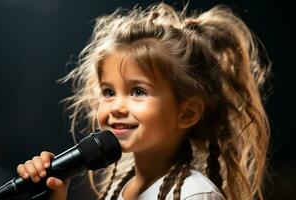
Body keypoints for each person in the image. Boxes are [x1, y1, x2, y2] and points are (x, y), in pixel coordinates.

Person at [16, 2, 271, 200]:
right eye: (108, 92)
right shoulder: (120, 190)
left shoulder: (194, 193)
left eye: (138, 91)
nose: (116, 106)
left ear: (187, 112)